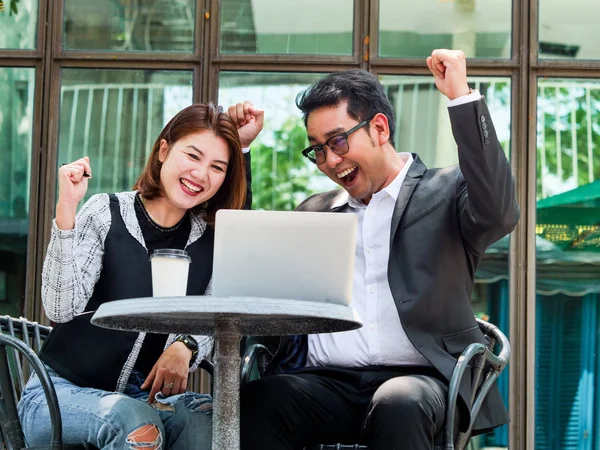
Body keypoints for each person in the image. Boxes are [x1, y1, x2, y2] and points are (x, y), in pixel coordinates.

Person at [235, 49, 519, 450]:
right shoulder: (315, 211)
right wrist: (240, 151)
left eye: (337, 141)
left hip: (420, 381)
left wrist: (460, 97)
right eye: (317, 149)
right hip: (325, 383)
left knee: (398, 403)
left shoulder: (446, 192)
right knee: (262, 399)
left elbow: (499, 211)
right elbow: (244, 255)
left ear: (380, 128)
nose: (330, 161)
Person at [18, 102, 264, 449]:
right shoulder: (106, 213)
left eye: (217, 167)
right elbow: (59, 308)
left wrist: (185, 345)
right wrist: (67, 212)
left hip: (142, 399)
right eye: (192, 156)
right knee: (136, 422)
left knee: (208, 419)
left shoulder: (210, 239)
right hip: (59, 395)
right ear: (163, 150)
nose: (201, 174)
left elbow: (216, 307)